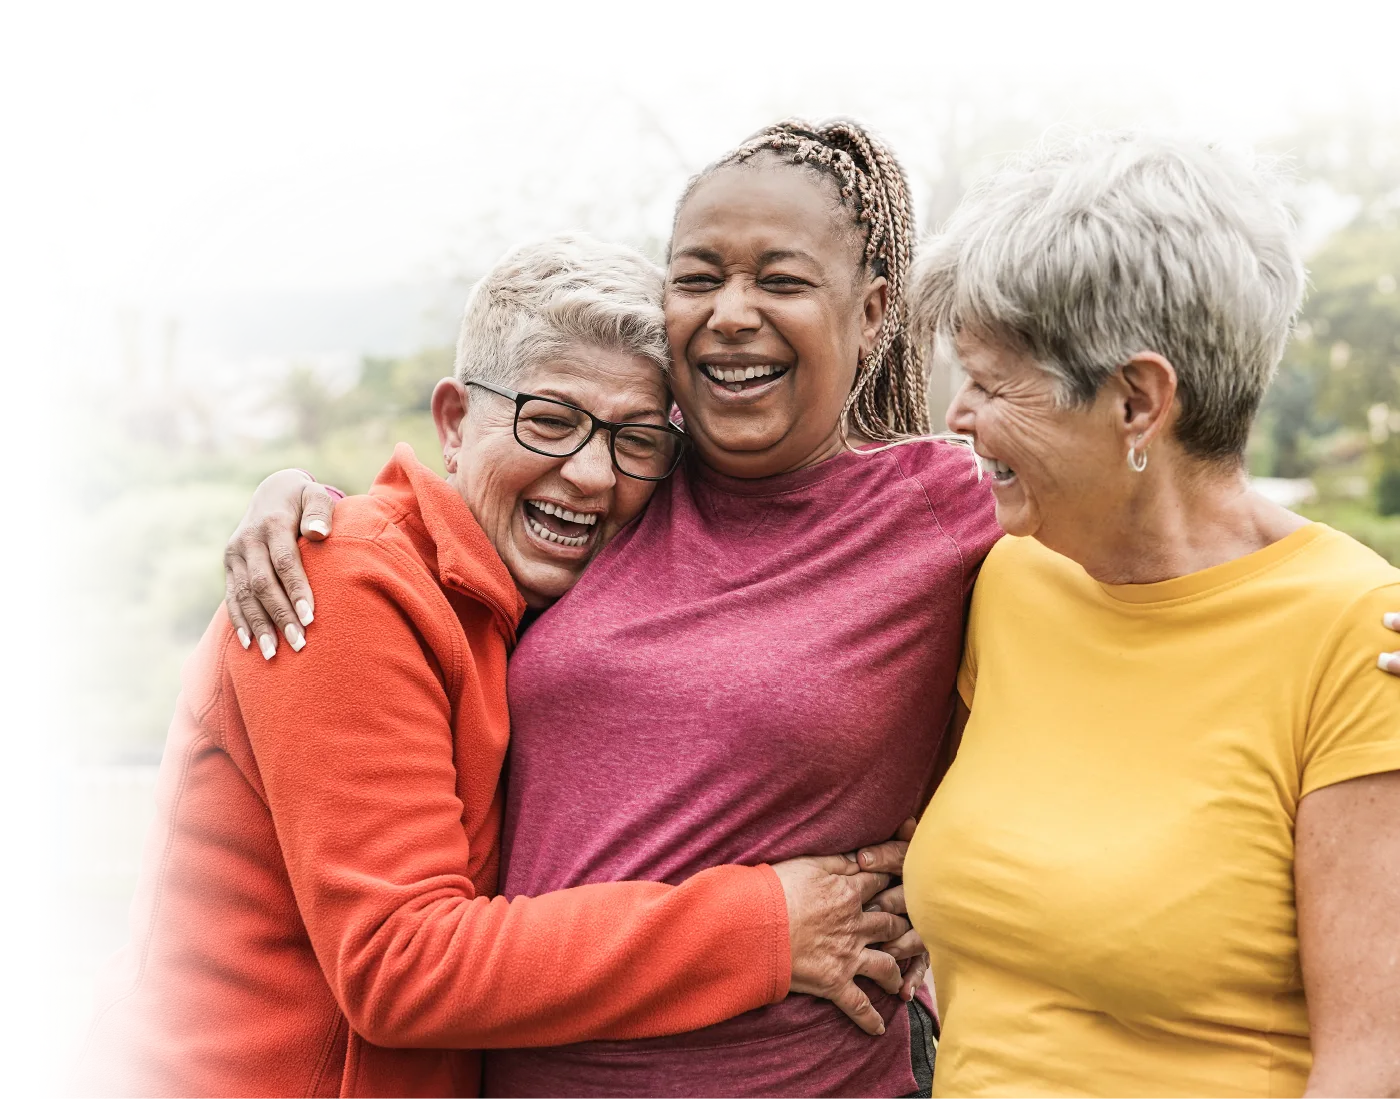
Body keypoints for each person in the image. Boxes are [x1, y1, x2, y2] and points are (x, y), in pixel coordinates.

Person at [224, 114, 992, 1099]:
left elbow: (1127, 571)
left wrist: (948, 883)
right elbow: (467, 515)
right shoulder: (626, 483)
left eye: (781, 279)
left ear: (874, 312)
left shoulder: (945, 516)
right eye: (699, 275)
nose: (731, 312)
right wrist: (306, 499)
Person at [47, 232, 917, 1099]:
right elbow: (400, 962)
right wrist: (764, 927)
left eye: (637, 441)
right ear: (455, 422)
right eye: (548, 420)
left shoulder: (535, 608)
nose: (587, 473)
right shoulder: (344, 582)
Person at [900, 126, 1400, 1098]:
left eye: (991, 384)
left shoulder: (1357, 641)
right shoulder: (1009, 577)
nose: (956, 416)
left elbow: (1367, 1064)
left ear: (1136, 401)